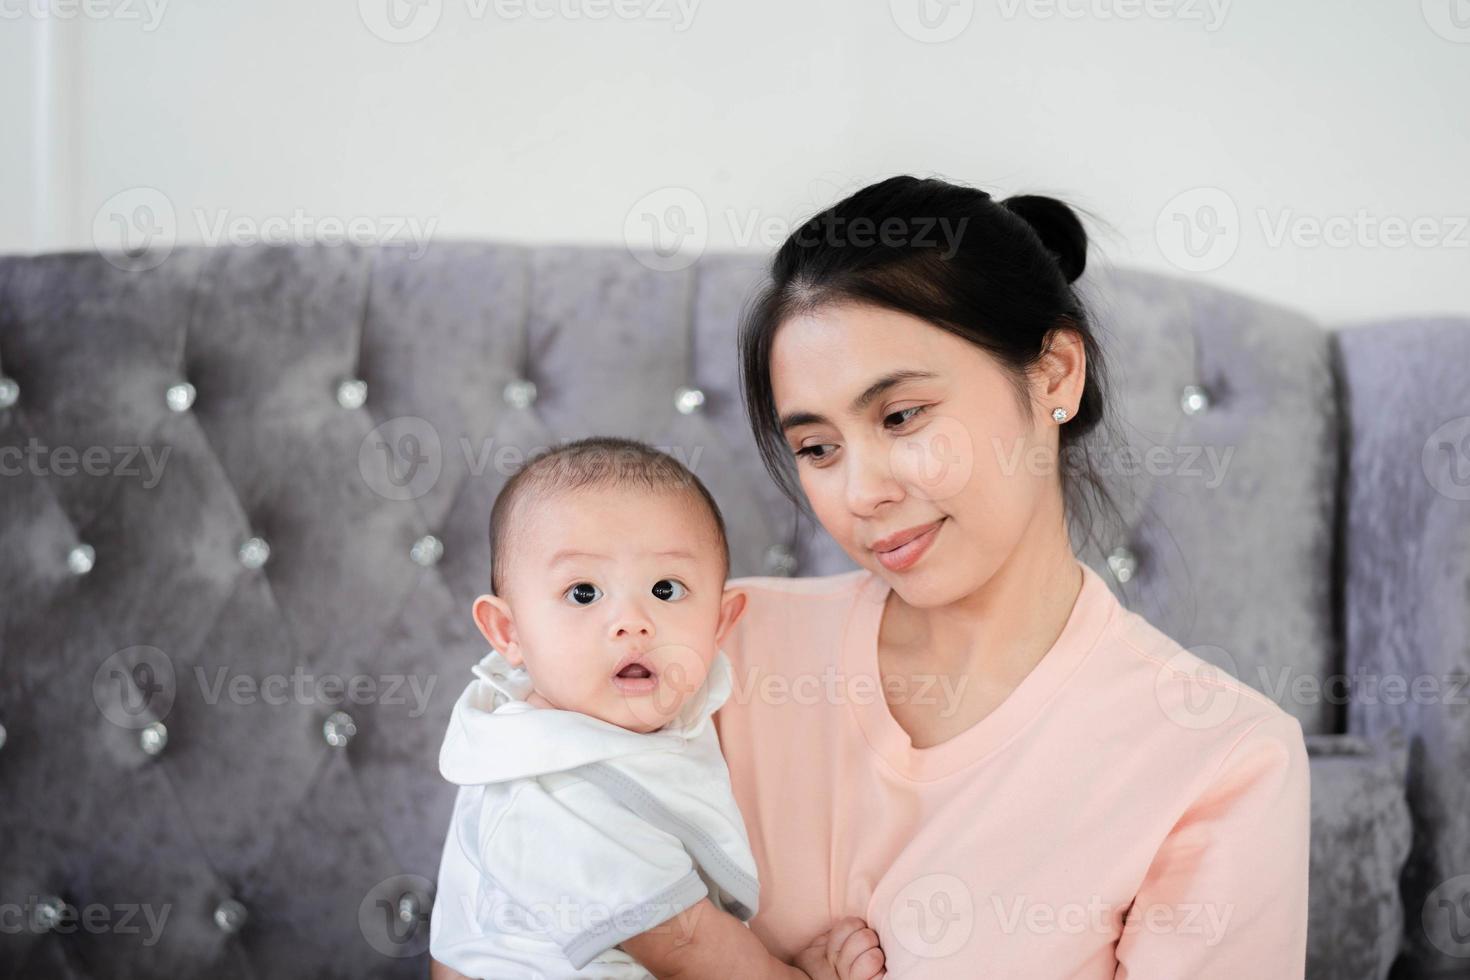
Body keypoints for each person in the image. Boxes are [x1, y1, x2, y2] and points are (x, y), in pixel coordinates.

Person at [428, 436, 885, 979]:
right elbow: (685, 947)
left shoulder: (653, 714)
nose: (633, 622)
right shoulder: (549, 785)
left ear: (719, 623)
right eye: (583, 593)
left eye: (666, 589)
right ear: (510, 632)